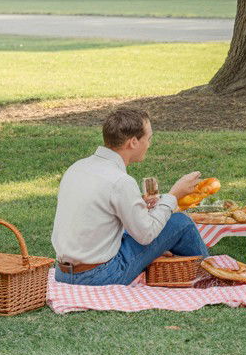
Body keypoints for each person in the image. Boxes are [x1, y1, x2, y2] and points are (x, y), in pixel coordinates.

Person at [52, 104, 208, 284]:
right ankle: (209, 275)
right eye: (149, 138)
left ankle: (178, 265)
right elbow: (146, 235)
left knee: (139, 227)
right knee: (181, 222)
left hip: (63, 274)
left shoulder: (77, 167)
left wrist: (138, 204)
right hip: (100, 276)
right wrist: (173, 195)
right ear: (133, 142)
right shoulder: (120, 181)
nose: (149, 144)